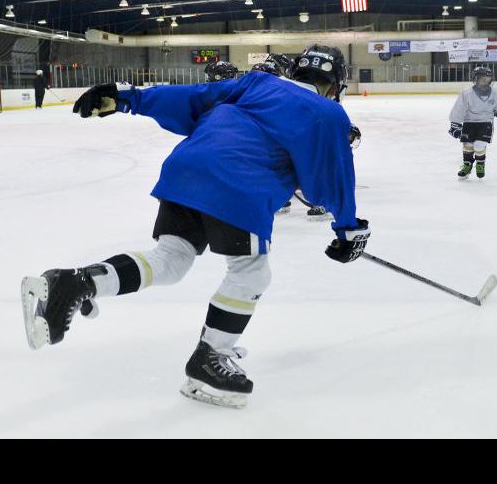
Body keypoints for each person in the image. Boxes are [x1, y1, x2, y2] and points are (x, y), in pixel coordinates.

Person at [21, 45, 365, 409]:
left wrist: (128, 98)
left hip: (186, 169)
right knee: (250, 274)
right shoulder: (329, 113)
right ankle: (211, 357)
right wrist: (349, 230)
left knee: (171, 260)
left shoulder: (257, 83)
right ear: (336, 84)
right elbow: (333, 180)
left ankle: (74, 282)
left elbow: (195, 97)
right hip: (237, 183)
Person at [449, 67, 497, 179]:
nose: (485, 82)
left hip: (485, 122)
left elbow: (493, 107)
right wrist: (455, 124)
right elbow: (459, 108)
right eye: (483, 79)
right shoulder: (467, 93)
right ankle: (467, 166)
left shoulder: (494, 93)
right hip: (469, 122)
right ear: (476, 79)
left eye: (488, 79)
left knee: (479, 145)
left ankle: (480, 164)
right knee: (468, 145)